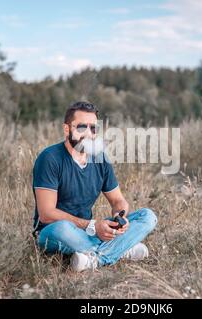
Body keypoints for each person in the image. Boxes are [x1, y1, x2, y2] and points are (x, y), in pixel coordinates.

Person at [32, 101, 158, 271]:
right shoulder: (50, 158)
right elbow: (46, 214)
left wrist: (119, 218)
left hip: (87, 231)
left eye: (93, 128)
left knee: (147, 216)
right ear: (67, 129)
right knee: (62, 228)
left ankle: (94, 257)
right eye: (82, 127)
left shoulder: (100, 158)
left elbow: (118, 201)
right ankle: (120, 250)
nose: (89, 134)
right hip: (53, 232)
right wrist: (92, 226)